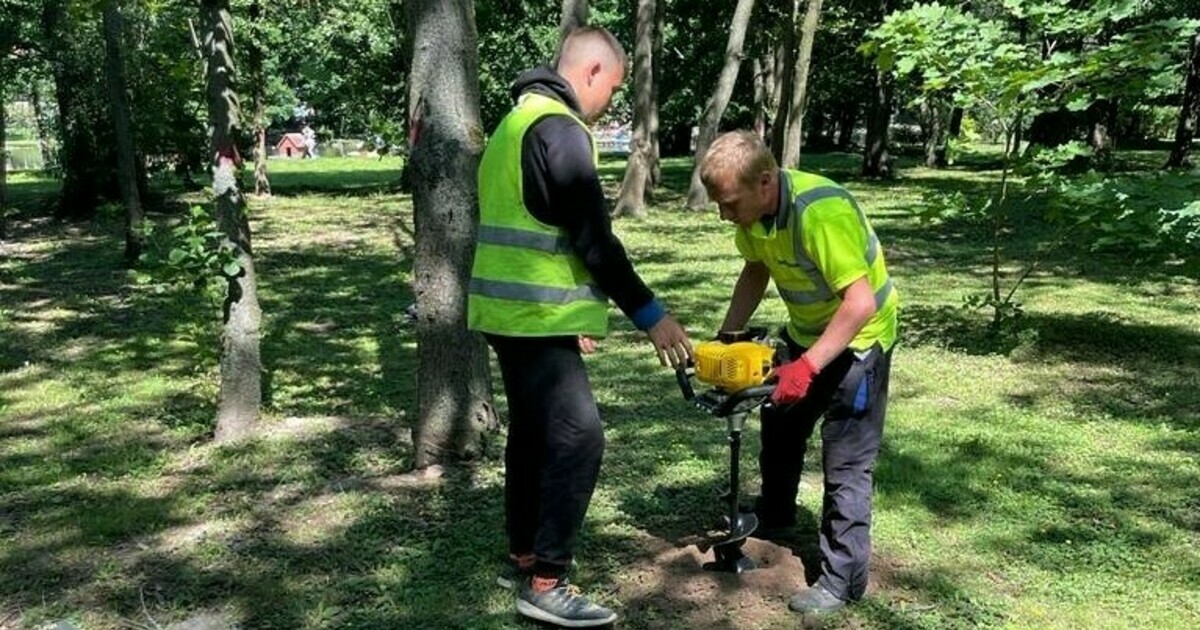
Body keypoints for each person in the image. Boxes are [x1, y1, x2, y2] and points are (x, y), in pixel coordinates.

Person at [467, 26, 693, 628]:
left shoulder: (513, 123)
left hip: (507, 312)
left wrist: (578, 317)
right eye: (612, 89)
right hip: (532, 315)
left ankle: (524, 551)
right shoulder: (562, 131)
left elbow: (544, 229)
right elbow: (593, 240)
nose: (609, 103)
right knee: (580, 436)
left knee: (535, 434)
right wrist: (651, 315)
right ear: (591, 72)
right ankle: (548, 580)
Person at [700, 130, 899, 615]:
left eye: (729, 203)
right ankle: (776, 516)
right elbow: (755, 271)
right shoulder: (755, 216)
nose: (725, 215)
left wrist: (808, 367)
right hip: (806, 333)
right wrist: (728, 338)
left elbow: (860, 302)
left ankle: (842, 581)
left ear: (766, 182)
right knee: (781, 426)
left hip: (861, 340)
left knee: (846, 463)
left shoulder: (818, 214)